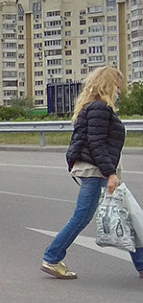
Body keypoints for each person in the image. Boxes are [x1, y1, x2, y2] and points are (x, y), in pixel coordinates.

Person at [41, 66, 143, 279]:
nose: (119, 91)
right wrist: (110, 173)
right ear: (107, 85)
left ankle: (142, 264)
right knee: (82, 216)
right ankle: (51, 257)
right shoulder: (99, 108)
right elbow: (96, 143)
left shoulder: (94, 107)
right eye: (117, 86)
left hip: (98, 169)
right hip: (97, 170)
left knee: (130, 215)